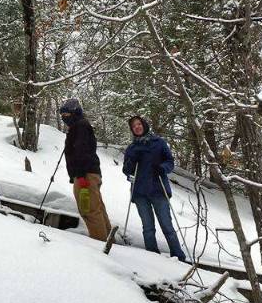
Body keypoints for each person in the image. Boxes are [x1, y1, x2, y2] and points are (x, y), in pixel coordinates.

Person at [122, 116, 185, 261]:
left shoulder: (158, 142)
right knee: (148, 228)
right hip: (140, 193)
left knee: (167, 226)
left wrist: (162, 168)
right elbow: (126, 170)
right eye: (133, 126)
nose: (137, 127)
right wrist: (131, 162)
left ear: (144, 125)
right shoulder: (132, 148)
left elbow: (170, 161)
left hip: (158, 190)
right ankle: (152, 258)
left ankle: (179, 257)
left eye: (139, 124)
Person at [58, 98, 112, 241]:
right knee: (97, 208)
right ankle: (109, 240)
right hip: (91, 173)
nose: (64, 118)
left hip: (85, 174)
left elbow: (81, 151)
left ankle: (100, 244)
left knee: (88, 210)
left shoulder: (80, 126)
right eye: (62, 115)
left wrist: (80, 175)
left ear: (75, 112)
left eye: (67, 115)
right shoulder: (79, 126)